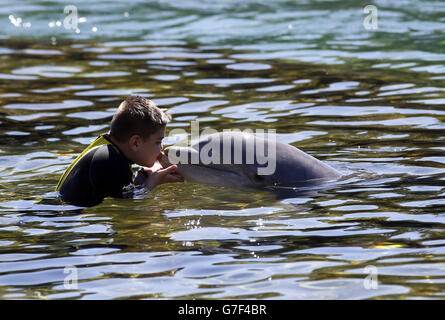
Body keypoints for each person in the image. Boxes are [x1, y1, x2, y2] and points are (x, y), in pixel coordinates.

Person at [55, 96, 183, 207]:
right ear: (135, 143)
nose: (161, 147)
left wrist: (141, 178)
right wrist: (153, 183)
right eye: (158, 142)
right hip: (64, 220)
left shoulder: (109, 149)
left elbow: (119, 190)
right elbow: (130, 204)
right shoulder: (112, 161)